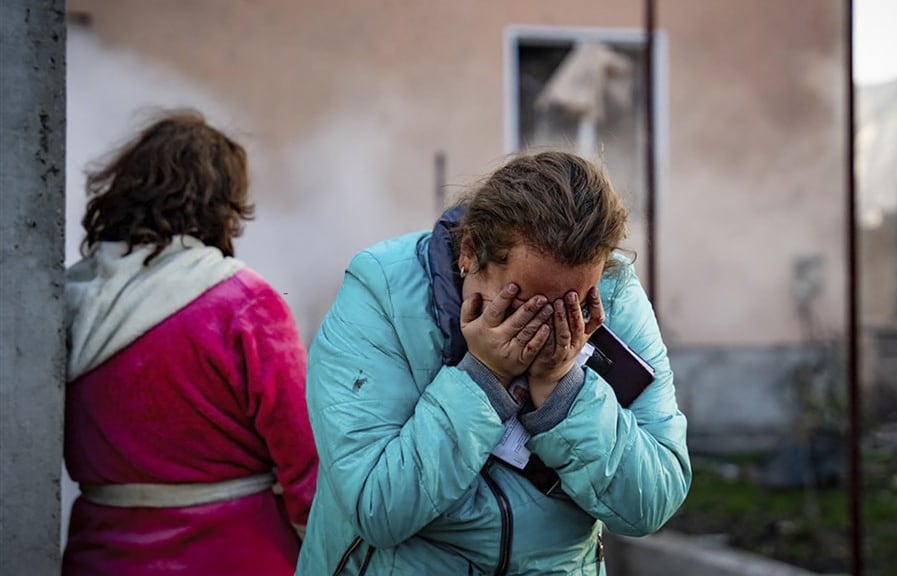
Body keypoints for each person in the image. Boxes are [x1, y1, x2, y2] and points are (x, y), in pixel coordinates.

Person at [298, 151, 691, 575]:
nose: (546, 329)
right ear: (469, 252)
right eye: (525, 304)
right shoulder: (382, 290)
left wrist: (565, 390)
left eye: (569, 307)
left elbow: (653, 501)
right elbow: (375, 507)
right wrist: (483, 378)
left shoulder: (612, 293)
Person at [62, 111, 318, 575]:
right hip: (236, 555)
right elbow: (304, 458)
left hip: (101, 557)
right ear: (222, 203)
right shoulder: (244, 301)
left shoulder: (67, 300)